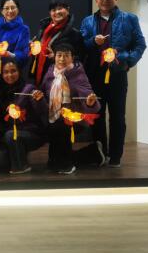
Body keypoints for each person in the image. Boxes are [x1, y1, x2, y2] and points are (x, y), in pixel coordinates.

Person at [80, 0, 147, 167]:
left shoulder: (129, 18)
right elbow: (82, 46)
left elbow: (140, 44)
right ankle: (100, 153)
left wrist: (127, 61)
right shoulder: (87, 21)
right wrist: (93, 42)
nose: (105, 0)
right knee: (97, 115)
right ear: (96, 0)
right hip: (94, 75)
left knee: (117, 117)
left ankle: (115, 156)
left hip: (117, 74)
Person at [33, 43, 103, 175]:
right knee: (53, 161)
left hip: (74, 119)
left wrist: (89, 102)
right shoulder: (50, 72)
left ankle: (66, 165)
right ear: (54, 57)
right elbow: (43, 93)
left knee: (60, 127)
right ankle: (93, 153)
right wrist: (39, 96)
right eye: (59, 55)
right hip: (53, 116)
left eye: (66, 56)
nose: (62, 59)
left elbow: (89, 96)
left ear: (72, 58)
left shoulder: (78, 74)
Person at [0, 58, 47, 174]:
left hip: (32, 133)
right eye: (6, 72)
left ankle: (21, 168)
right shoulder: (0, 94)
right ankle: (20, 153)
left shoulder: (29, 89)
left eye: (13, 71)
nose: (10, 75)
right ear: (2, 74)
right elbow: (0, 121)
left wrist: (39, 100)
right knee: (0, 159)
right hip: (10, 136)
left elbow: (42, 111)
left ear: (19, 72)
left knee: (11, 135)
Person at [29, 0, 84, 87]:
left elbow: (79, 59)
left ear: (67, 10)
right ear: (50, 13)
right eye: (53, 10)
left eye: (60, 8)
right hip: (40, 76)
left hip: (60, 82)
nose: (57, 12)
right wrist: (33, 48)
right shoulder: (43, 29)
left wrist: (57, 57)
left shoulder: (75, 34)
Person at [0, 0, 30, 90]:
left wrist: (9, 55)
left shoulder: (24, 29)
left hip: (13, 74)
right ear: (1, 11)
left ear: (18, 9)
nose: (10, 11)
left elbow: (24, 54)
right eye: (6, 8)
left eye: (13, 7)